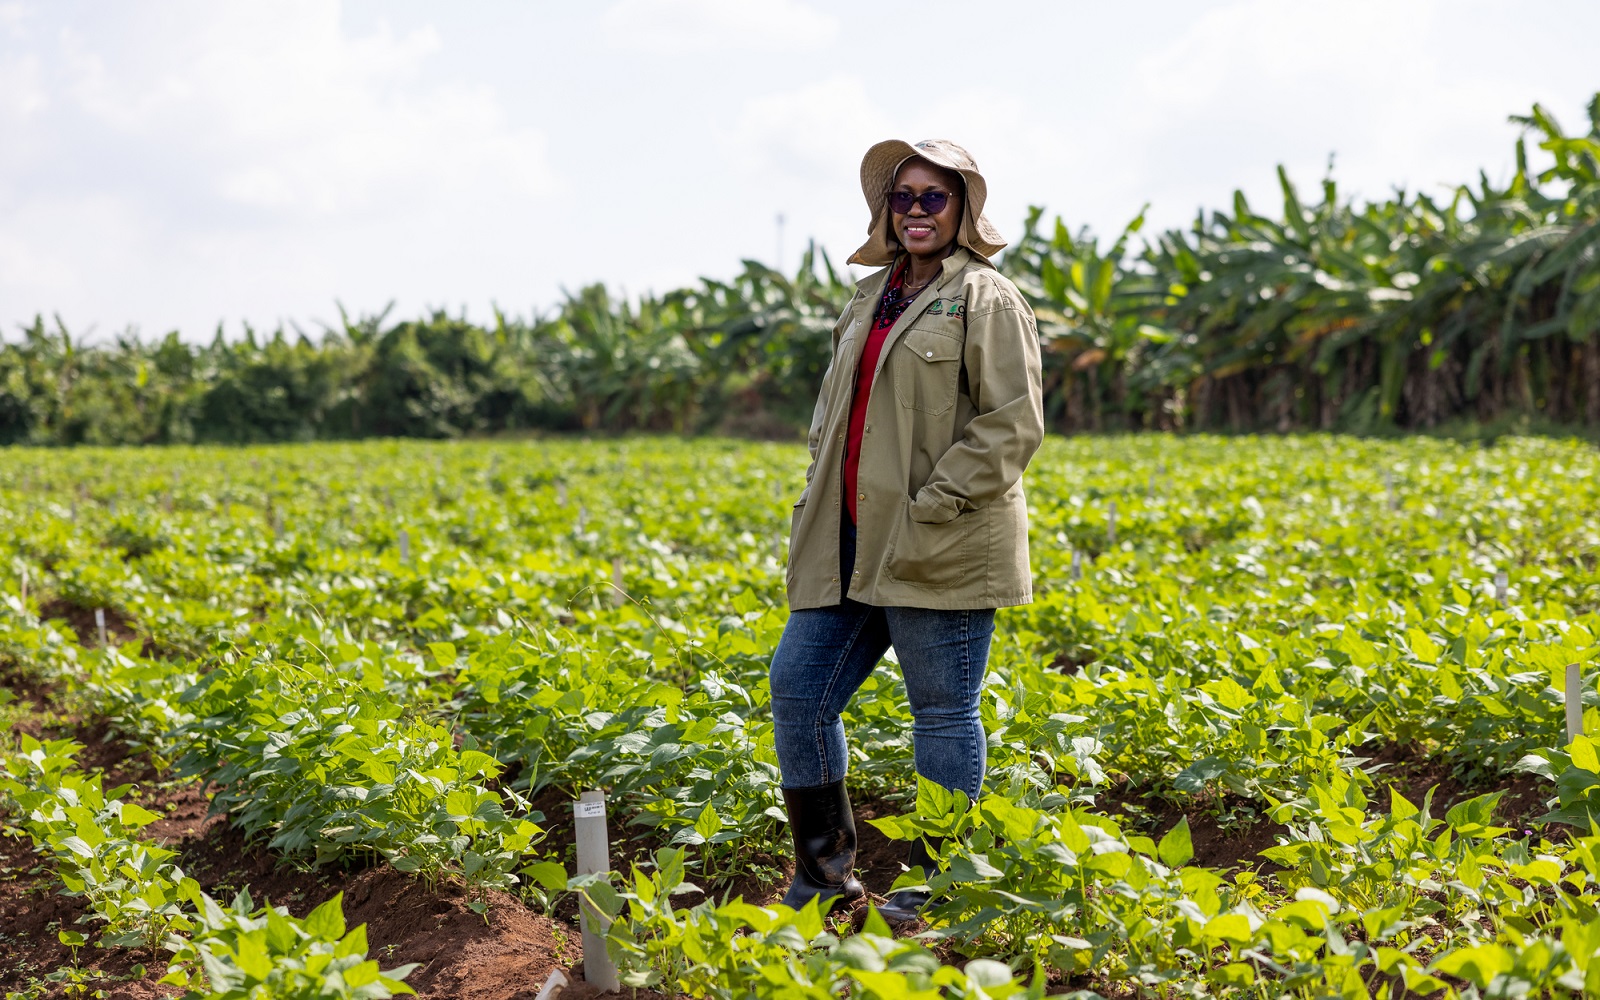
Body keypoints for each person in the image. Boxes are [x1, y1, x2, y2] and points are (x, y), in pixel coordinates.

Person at [769, 139, 1045, 923]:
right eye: (904, 197)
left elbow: (1012, 423)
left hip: (938, 537)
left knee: (943, 712)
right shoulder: (868, 297)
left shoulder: (987, 299)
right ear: (886, 210)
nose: (917, 211)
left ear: (963, 210)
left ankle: (937, 889)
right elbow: (835, 415)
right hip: (848, 540)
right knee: (798, 691)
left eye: (935, 197)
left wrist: (937, 501)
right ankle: (825, 880)